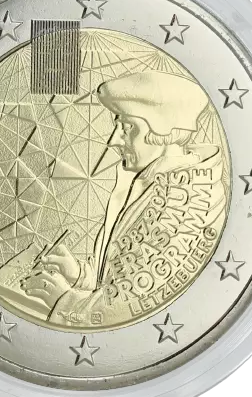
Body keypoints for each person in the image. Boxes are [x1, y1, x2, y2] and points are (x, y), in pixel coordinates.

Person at [21, 71, 227, 327]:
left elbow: (139, 305)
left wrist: (65, 302)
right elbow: (128, 277)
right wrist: (81, 277)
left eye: (127, 127)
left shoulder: (185, 203)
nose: (113, 140)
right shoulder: (154, 183)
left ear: (162, 131)